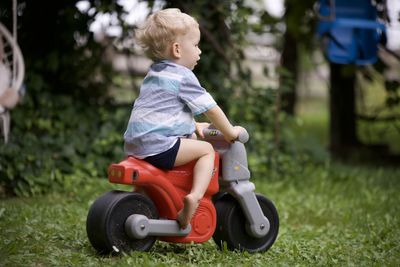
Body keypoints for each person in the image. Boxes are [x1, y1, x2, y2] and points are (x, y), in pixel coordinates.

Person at [124, 8, 243, 229]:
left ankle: (138, 203)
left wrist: (192, 125)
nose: (199, 52)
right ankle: (195, 197)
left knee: (185, 149)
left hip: (135, 144)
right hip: (160, 146)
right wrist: (230, 132)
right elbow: (211, 109)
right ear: (177, 49)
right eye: (196, 45)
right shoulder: (183, 76)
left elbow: (163, 112)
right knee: (206, 151)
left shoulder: (156, 72)